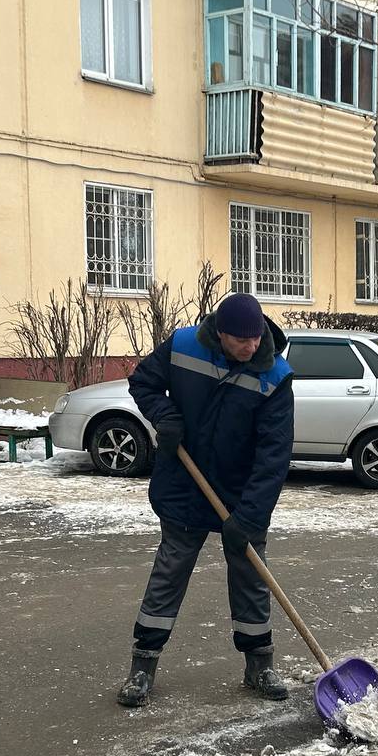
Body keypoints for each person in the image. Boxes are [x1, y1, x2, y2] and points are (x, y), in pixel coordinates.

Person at [117, 293, 295, 707]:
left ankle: (259, 666)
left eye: (256, 339)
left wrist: (249, 516)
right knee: (170, 571)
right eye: (240, 340)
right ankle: (142, 667)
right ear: (219, 332)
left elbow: (274, 455)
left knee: (251, 576)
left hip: (241, 493)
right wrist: (165, 416)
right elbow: (143, 381)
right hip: (184, 481)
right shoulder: (182, 346)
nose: (250, 348)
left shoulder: (275, 375)